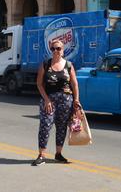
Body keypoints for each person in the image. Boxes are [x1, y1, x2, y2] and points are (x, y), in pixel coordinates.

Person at [32, 38, 80, 166]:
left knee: (61, 127)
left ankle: (58, 154)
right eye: (53, 48)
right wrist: (46, 99)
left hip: (66, 101)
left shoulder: (68, 66)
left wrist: (76, 100)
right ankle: (41, 155)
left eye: (58, 48)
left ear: (63, 51)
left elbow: (74, 84)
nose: (55, 51)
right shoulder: (45, 64)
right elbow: (39, 84)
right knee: (45, 125)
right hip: (49, 101)